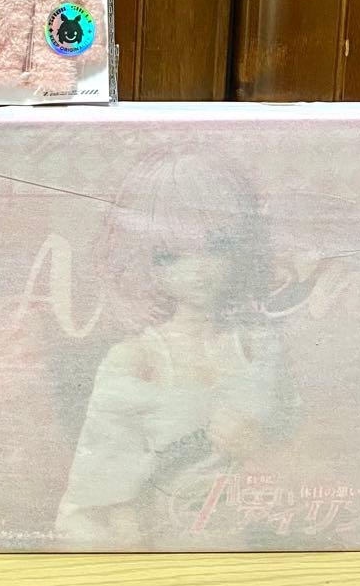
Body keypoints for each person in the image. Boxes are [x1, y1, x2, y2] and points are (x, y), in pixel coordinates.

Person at [55, 146, 286, 548]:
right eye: (170, 256)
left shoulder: (260, 347)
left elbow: (306, 448)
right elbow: (107, 490)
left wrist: (260, 450)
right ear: (141, 259)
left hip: (256, 535)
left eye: (217, 246)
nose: (198, 270)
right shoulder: (135, 361)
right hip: (158, 541)